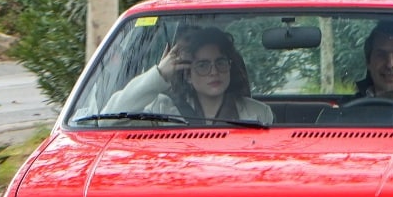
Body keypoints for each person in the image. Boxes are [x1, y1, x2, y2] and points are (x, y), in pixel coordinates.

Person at [106, 26, 273, 123]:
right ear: (187, 74)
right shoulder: (162, 110)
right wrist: (160, 74)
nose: (214, 72)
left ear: (230, 66)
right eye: (203, 65)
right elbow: (108, 120)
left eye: (220, 63)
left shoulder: (259, 113)